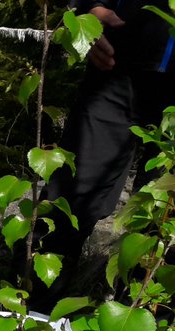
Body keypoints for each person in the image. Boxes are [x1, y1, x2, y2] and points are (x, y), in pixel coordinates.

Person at [25, 0, 175, 312]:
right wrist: (88, 12)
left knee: (164, 215)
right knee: (70, 199)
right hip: (118, 65)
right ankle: (28, 326)